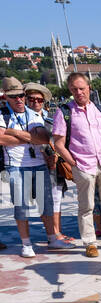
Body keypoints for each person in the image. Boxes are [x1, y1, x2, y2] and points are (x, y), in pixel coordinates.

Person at [51, 74, 101, 258]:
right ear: (70, 91)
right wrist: (74, 163)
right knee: (86, 206)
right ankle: (89, 242)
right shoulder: (64, 112)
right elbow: (58, 143)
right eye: (74, 89)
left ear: (89, 87)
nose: (79, 92)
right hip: (83, 165)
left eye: (82, 88)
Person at [0, 78, 57, 256]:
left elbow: (43, 138)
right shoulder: (3, 114)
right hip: (16, 166)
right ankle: (26, 244)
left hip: (38, 164)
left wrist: (14, 132)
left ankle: (52, 238)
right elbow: (2, 139)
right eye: (13, 96)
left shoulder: (32, 114)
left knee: (45, 205)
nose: (18, 99)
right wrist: (29, 136)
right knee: (21, 206)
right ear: (5, 98)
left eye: (21, 95)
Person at [23, 82, 74, 246]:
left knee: (56, 199)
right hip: (32, 164)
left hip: (54, 165)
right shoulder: (22, 120)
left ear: (44, 102)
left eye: (39, 100)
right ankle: (51, 233)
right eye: (31, 99)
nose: (35, 102)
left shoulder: (50, 120)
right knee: (41, 201)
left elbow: (60, 141)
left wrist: (57, 156)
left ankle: (57, 231)